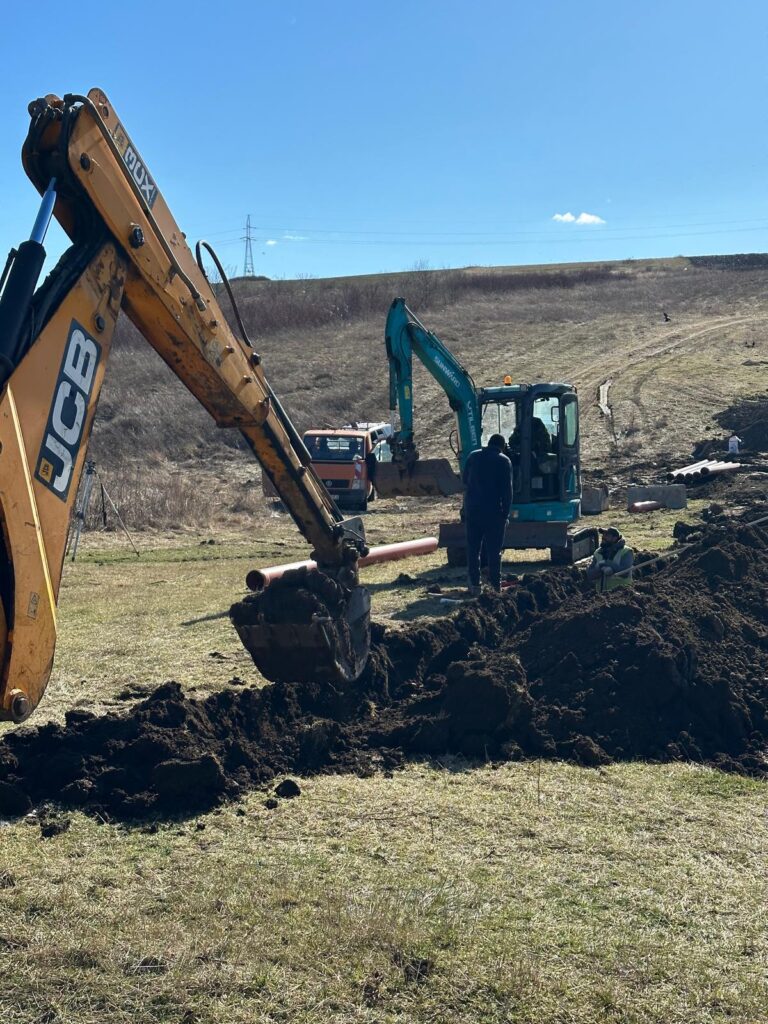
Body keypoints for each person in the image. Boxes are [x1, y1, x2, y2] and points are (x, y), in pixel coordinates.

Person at [462, 434, 513, 595]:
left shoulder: (472, 456)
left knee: (473, 549)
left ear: (489, 443)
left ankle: (474, 584)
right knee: (494, 551)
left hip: (473, 511)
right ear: (502, 447)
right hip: (494, 513)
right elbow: (507, 492)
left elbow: (464, 481)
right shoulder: (504, 461)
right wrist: (505, 514)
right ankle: (495, 586)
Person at [586, 526, 634, 593]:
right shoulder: (598, 552)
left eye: (607, 535)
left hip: (622, 594)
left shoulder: (626, 551)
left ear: (615, 538)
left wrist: (610, 566)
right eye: (603, 534)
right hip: (601, 595)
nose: (603, 537)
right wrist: (599, 570)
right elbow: (590, 575)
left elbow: (625, 572)